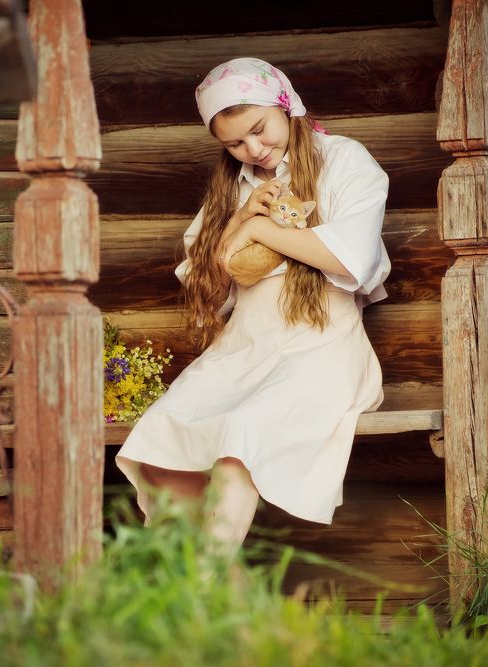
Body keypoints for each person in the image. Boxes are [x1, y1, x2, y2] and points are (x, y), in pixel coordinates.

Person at [115, 57, 390, 558]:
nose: (254, 150)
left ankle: (197, 599)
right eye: (234, 143)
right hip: (243, 347)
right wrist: (239, 219)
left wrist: (264, 230)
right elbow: (207, 289)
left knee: (240, 440)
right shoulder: (232, 187)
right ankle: (217, 595)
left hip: (320, 346)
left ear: (288, 105)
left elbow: (354, 259)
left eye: (260, 131)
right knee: (158, 439)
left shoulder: (344, 160)